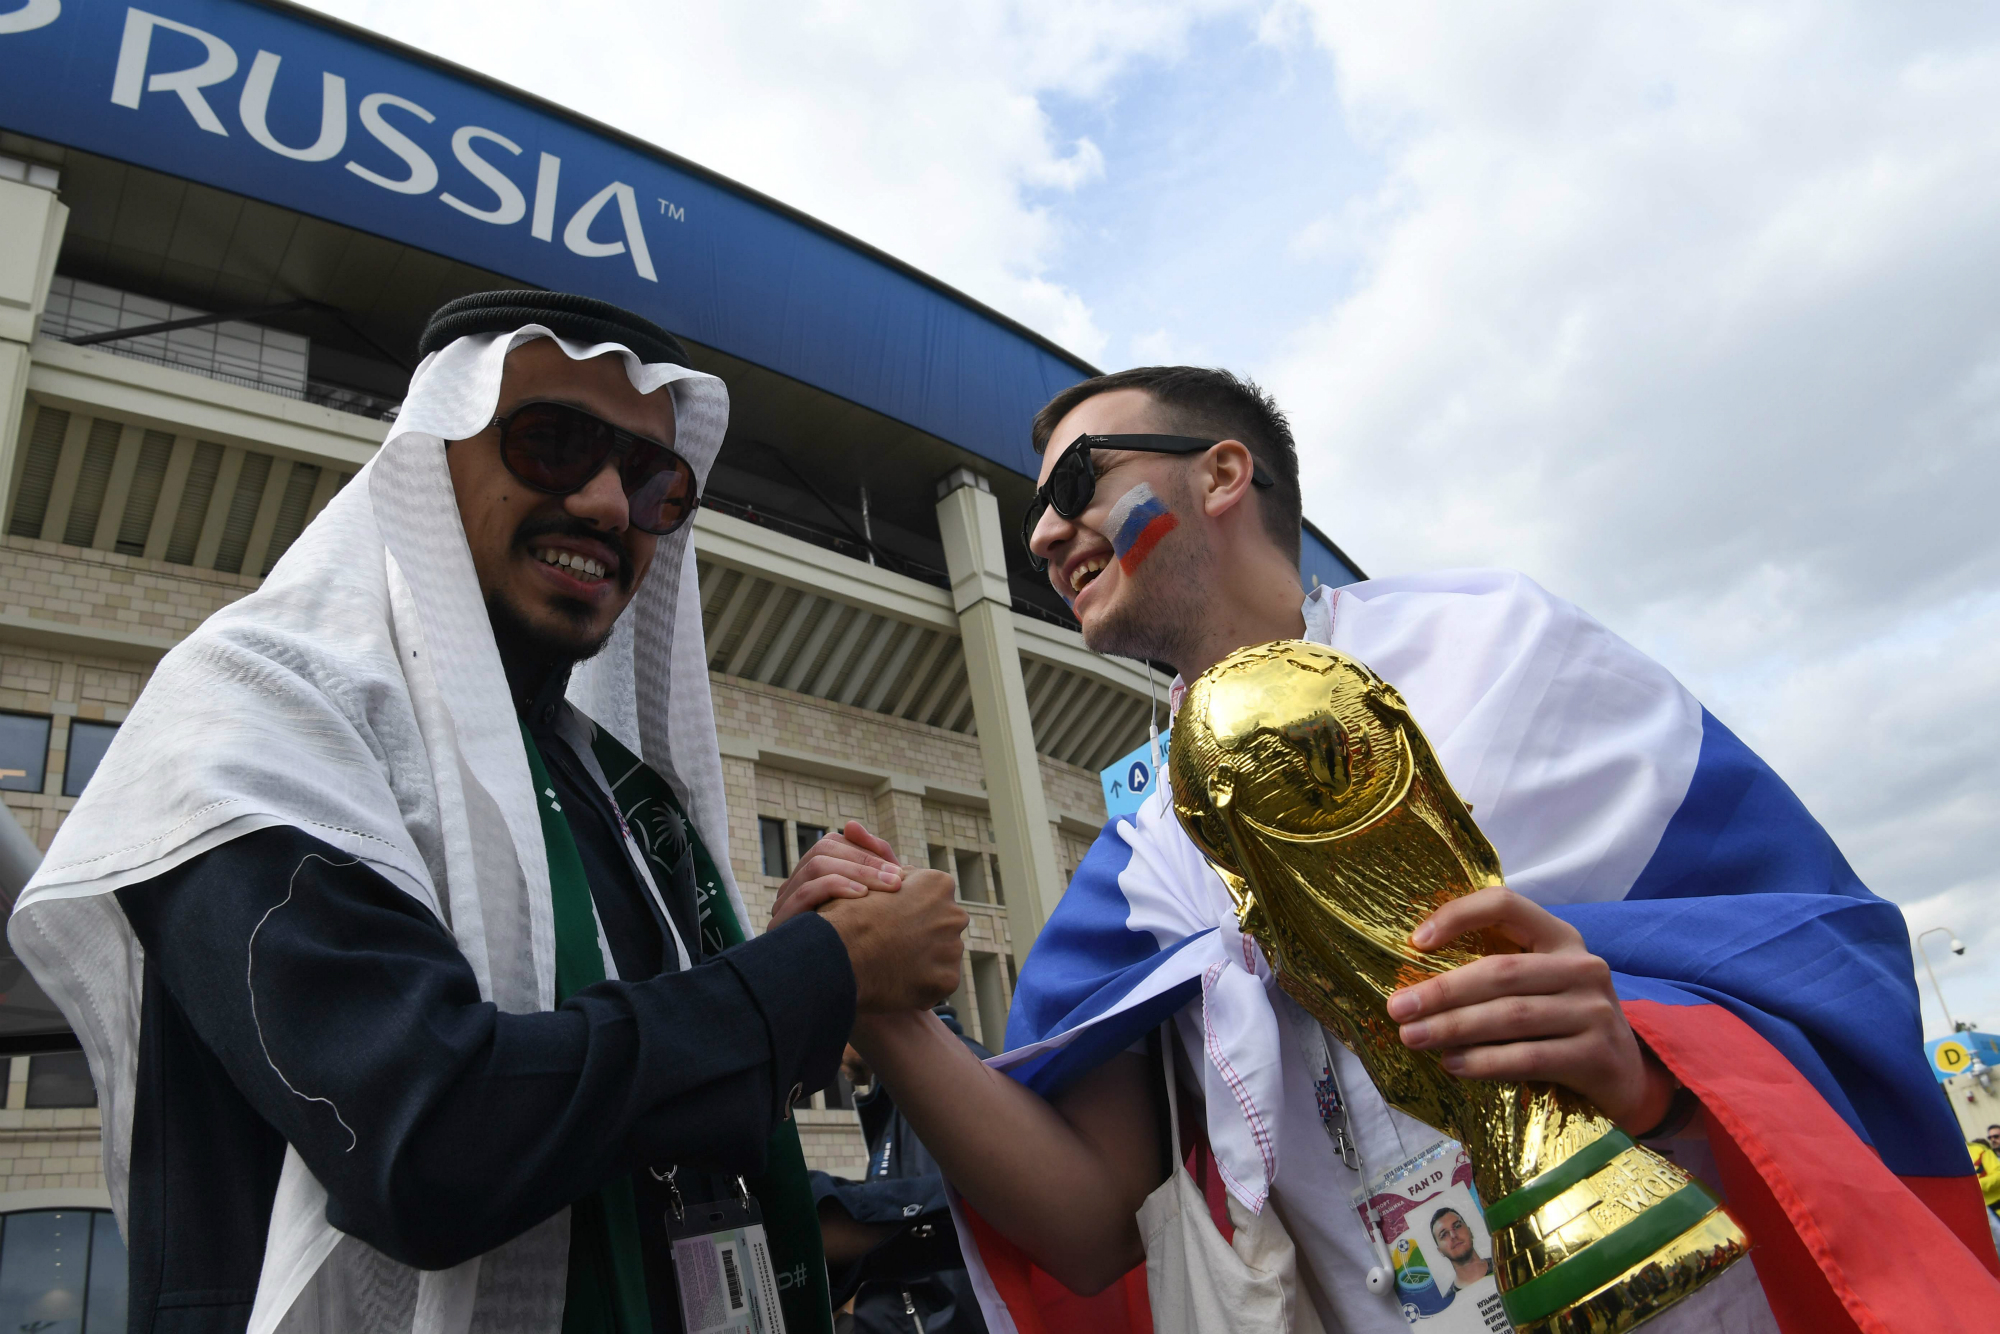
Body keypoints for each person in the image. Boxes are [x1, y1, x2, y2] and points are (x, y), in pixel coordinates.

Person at [836, 366, 2000, 1334]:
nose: (1041, 531)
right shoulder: (1141, 867)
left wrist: (1643, 1061)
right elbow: (1090, 1227)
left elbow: (1819, 953)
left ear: (1223, 473)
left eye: (1076, 483)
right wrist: (879, 1006)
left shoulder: (1503, 657)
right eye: (1034, 511)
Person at [6, 291, 967, 1334]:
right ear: (428, 460)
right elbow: (429, 1135)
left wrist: (788, 961)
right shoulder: (254, 713)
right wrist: (819, 973)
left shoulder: (600, 780)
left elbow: (618, 1092)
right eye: (553, 443)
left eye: (651, 479)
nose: (607, 503)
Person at [812, 1007, 993, 1333]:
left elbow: (956, 1285)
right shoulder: (913, 1078)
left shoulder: (936, 1077)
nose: (823, 1051)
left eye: (826, 1026)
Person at [1427, 1209, 1489, 1294]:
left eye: (1457, 1226)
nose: (1453, 1235)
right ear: (1440, 1251)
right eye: (1444, 1234)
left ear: (1470, 1231)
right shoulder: (1450, 1300)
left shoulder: (1504, 1264)